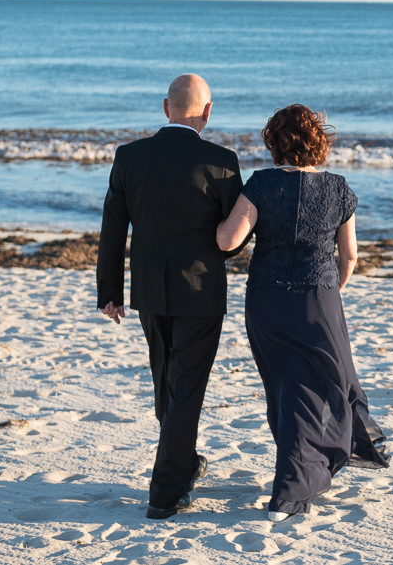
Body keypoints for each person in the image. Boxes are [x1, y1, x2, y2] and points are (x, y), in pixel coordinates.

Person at [217, 104, 389, 523]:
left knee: (284, 387)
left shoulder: (260, 185)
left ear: (275, 143)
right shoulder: (339, 189)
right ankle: (293, 489)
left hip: (265, 300)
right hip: (319, 299)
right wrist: (333, 288)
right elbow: (349, 256)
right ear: (319, 143)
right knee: (324, 385)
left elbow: (226, 242)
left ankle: (298, 475)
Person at [96, 74, 244, 520]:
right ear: (208, 111)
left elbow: (112, 229)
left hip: (149, 289)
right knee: (185, 387)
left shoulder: (130, 156)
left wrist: (110, 292)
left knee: (166, 380)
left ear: (166, 109)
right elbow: (234, 240)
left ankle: (183, 462)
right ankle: (165, 491)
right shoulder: (222, 160)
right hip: (200, 290)